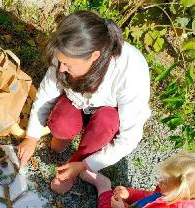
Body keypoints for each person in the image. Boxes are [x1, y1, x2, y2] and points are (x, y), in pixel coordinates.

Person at [17, 11, 150, 194]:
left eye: (68, 65)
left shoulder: (131, 72)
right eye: (60, 62)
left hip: (107, 115)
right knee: (60, 129)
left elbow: (128, 140)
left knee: (106, 121)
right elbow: (46, 95)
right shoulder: (67, 50)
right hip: (78, 103)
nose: (61, 68)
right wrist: (31, 137)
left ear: (94, 56)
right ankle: (65, 136)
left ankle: (77, 163)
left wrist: (84, 164)